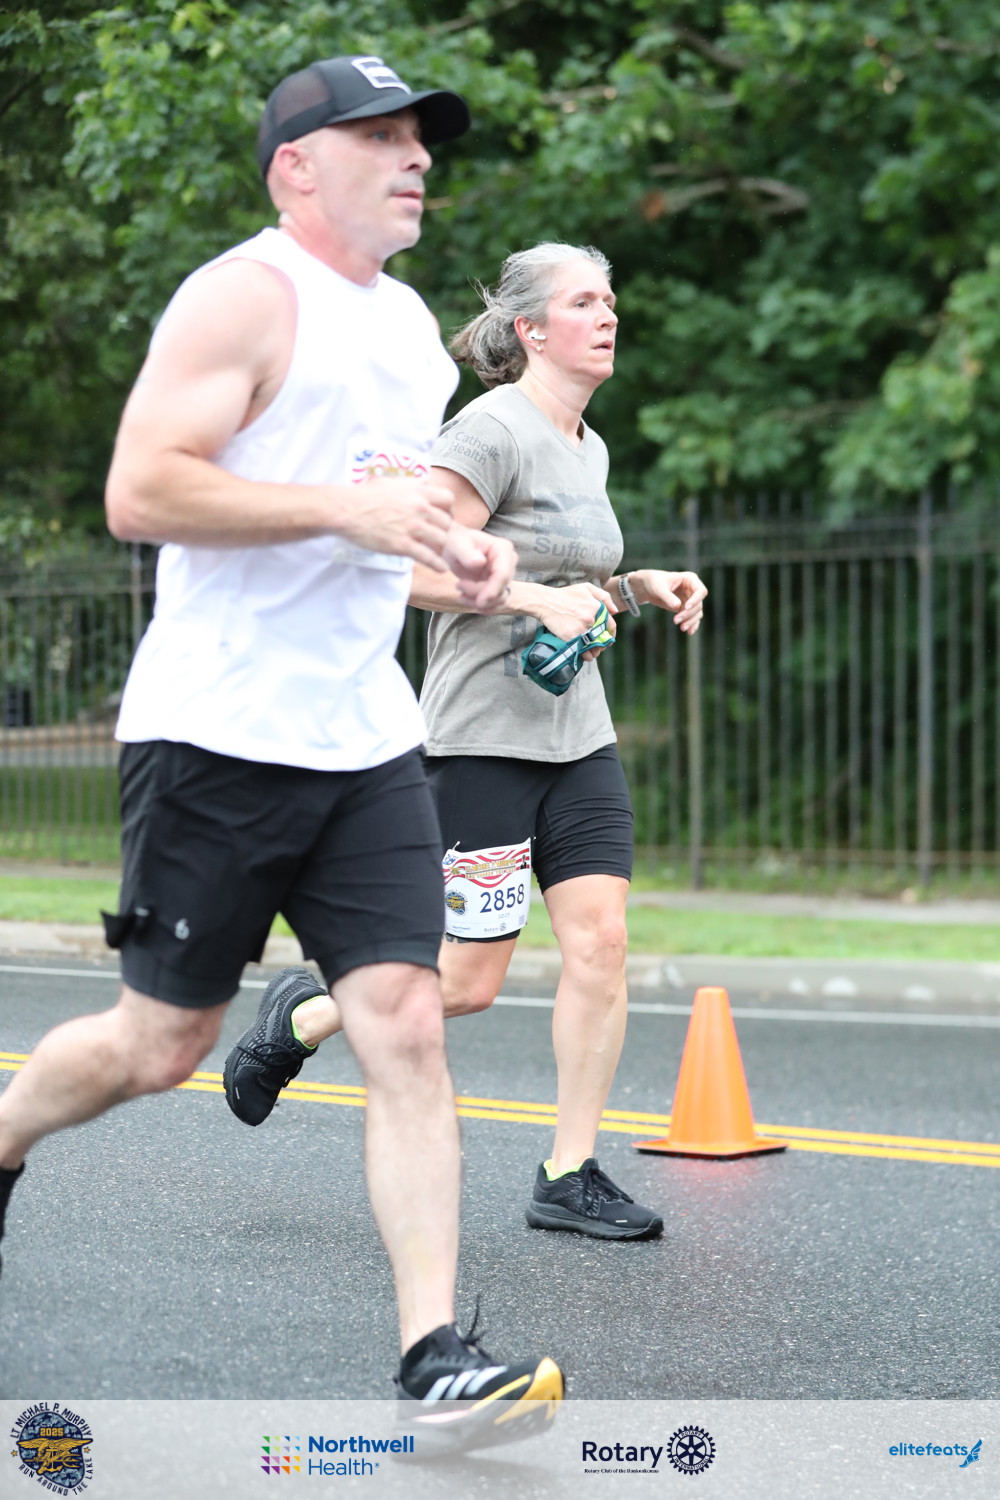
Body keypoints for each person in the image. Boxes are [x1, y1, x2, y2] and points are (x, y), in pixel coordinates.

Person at [0, 56, 563, 1453]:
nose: (416, 157)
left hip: (365, 737)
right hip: (220, 731)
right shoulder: (243, 296)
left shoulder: (413, 329)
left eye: (421, 138)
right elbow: (142, 488)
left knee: (408, 1021)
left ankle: (434, 1355)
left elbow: (381, 527)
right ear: (296, 167)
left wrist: (462, 561)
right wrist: (344, 514)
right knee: (161, 1044)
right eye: (381, 137)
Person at [223, 240, 707, 1241]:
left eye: (610, 299)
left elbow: (569, 587)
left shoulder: (588, 445)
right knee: (470, 982)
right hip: (482, 740)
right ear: (531, 329)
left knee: (601, 944)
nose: (608, 315)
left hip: (576, 737)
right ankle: (306, 1014)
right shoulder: (488, 432)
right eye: (584, 302)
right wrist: (531, 597)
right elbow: (401, 568)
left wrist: (634, 587)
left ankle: (567, 1172)